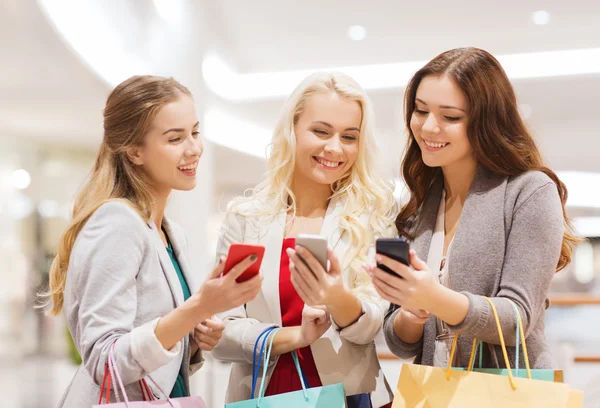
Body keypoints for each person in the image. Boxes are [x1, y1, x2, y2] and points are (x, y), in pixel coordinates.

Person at [45, 75, 262, 407]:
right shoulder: (116, 223)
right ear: (134, 151)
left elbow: (157, 343)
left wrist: (197, 331)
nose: (194, 148)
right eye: (175, 139)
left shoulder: (171, 233)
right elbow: (105, 362)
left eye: (195, 132)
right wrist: (197, 307)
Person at [370, 47, 579, 369]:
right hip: (436, 389)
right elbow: (400, 342)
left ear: (487, 122)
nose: (428, 127)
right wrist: (412, 312)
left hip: (508, 393)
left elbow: (516, 320)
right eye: (420, 110)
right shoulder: (423, 200)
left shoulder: (530, 191)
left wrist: (434, 297)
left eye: (450, 117)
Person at [211, 72, 397, 407]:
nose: (335, 148)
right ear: (292, 130)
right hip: (263, 396)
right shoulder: (245, 218)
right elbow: (221, 332)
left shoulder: (371, 218)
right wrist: (291, 337)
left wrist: (338, 299)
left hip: (349, 397)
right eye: (321, 131)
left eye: (349, 136)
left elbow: (374, 328)